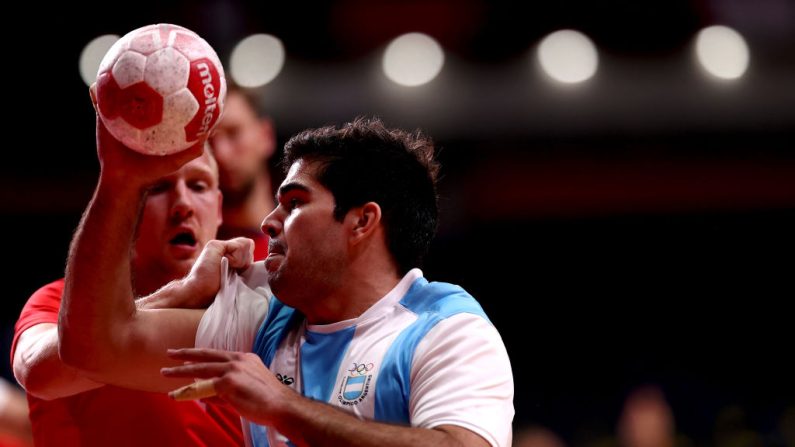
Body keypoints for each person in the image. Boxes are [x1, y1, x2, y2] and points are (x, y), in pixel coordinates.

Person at [58, 116, 515, 446]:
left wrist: (282, 406)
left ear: (361, 221)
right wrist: (118, 182)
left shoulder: (447, 329)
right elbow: (93, 347)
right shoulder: (263, 311)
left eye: (294, 203)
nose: (268, 222)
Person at [11, 144, 244, 446]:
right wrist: (179, 296)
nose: (183, 204)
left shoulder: (252, 305)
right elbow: (37, 372)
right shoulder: (58, 301)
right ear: (123, 205)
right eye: (159, 187)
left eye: (198, 186)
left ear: (219, 206)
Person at [208, 84, 277, 260]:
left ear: (265, 136)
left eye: (233, 133)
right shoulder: (190, 259)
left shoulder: (306, 247)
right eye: (208, 142)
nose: (221, 154)